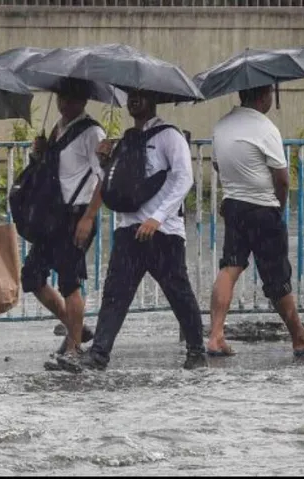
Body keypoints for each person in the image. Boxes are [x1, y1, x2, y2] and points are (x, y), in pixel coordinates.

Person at [58, 88, 208, 372]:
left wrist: (158, 218)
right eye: (131, 96)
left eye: (141, 95)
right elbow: (116, 185)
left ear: (154, 100)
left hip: (163, 233)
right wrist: (103, 163)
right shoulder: (127, 139)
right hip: (129, 228)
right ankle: (99, 354)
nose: (134, 100)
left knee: (178, 292)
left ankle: (196, 350)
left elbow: (183, 178)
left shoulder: (169, 136)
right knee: (115, 293)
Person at [207, 85, 304, 357]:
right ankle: (299, 338)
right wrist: (278, 209)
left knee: (230, 267)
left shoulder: (221, 125)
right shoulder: (266, 128)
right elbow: (283, 179)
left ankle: (215, 336)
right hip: (263, 209)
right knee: (277, 277)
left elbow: (216, 165)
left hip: (234, 208)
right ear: (264, 96)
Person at [25, 79, 105, 368]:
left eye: (72, 98)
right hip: (52, 217)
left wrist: (89, 217)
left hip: (76, 215)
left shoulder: (92, 133)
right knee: (32, 277)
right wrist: (40, 152)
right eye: (62, 97)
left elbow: (103, 178)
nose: (65, 103)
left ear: (83, 101)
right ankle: (76, 328)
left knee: (70, 284)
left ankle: (73, 349)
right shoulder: (58, 129)